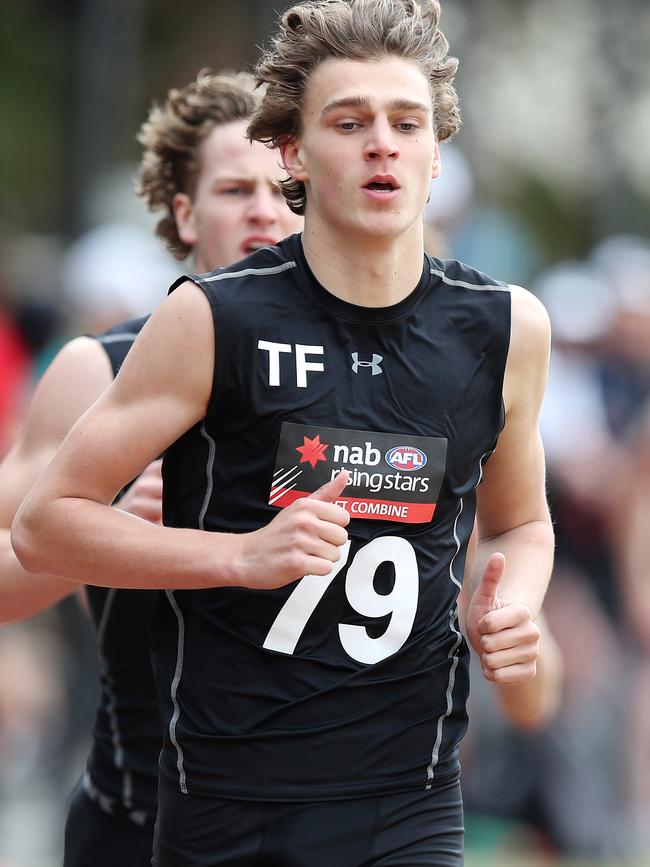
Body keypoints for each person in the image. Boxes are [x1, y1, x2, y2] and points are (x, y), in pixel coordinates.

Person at [13, 1, 554, 864]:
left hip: (409, 799)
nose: (382, 143)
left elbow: (524, 525)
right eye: (350, 122)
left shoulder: (501, 328)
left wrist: (515, 606)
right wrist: (227, 552)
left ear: (436, 152)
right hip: (215, 799)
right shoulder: (198, 326)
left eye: (405, 122)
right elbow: (39, 528)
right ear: (295, 152)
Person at [1, 69, 302, 867]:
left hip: (326, 824)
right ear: (183, 211)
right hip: (141, 820)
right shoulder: (100, 371)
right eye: (237, 188)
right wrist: (95, 532)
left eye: (283, 188)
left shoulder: (360, 371)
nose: (265, 210)